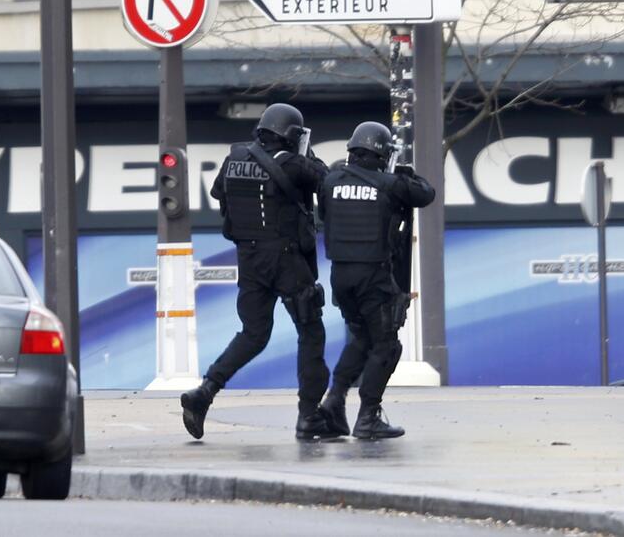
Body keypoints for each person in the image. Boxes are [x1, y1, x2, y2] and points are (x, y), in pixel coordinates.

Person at [180, 103, 339, 440]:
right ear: (292, 135)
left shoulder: (235, 158)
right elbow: (327, 183)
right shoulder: (295, 164)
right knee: (311, 331)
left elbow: (218, 192)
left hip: (249, 259)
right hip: (286, 260)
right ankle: (308, 416)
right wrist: (307, 153)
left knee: (253, 334)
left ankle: (205, 392)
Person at [316, 122, 435, 439]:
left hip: (341, 277)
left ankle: (334, 399)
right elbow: (426, 194)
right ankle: (368, 416)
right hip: (373, 277)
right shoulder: (388, 184)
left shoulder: (329, 182)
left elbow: (325, 217)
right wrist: (406, 175)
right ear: (382, 154)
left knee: (361, 338)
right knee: (387, 345)